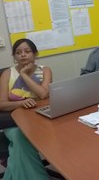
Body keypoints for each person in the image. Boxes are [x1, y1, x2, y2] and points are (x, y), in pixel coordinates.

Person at [0, 38, 52, 179]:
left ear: (35, 54)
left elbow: (43, 94)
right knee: (19, 136)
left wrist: (24, 74)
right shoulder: (7, 74)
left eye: (27, 51)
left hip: (41, 119)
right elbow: (2, 104)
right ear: (14, 57)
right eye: (18, 52)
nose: (23, 55)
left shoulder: (45, 70)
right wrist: (20, 103)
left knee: (17, 150)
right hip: (14, 122)